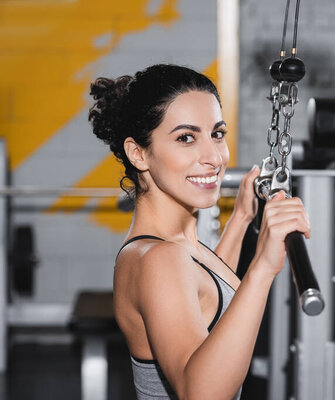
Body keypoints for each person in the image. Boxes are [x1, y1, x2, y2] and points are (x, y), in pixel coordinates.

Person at [89, 64, 310, 400]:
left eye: (217, 134)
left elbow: (206, 297)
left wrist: (240, 219)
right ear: (139, 153)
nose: (213, 157)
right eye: (186, 138)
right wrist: (263, 267)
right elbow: (200, 394)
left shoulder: (175, 246)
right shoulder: (159, 259)